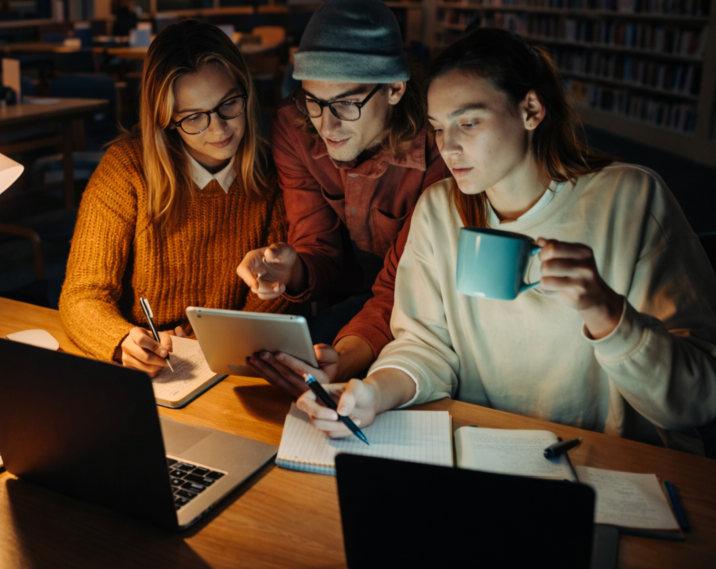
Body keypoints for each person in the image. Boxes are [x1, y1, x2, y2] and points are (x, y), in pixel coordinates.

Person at [297, 28, 716, 451]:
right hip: (487, 453)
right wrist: (372, 393)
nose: (448, 148)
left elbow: (696, 401)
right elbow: (424, 346)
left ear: (531, 110)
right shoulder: (439, 209)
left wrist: (607, 313)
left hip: (616, 463)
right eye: (438, 128)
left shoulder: (631, 200)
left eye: (468, 123)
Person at [235, 0, 447, 395]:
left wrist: (346, 358)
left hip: (426, 304)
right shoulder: (294, 126)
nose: (326, 127)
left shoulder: (440, 141)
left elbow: (407, 287)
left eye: (347, 104)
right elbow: (318, 247)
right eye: (313, 101)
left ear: (395, 88)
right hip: (344, 298)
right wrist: (292, 269)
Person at [59, 19, 294, 375]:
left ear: (246, 90)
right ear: (167, 119)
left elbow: (275, 306)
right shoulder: (126, 168)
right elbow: (82, 294)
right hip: (144, 369)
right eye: (194, 117)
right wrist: (121, 340)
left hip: (230, 368)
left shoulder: (275, 172)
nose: (219, 128)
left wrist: (205, 344)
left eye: (229, 103)